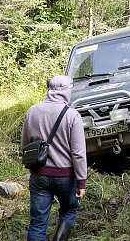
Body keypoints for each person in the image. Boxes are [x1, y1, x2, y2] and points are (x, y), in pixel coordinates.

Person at [21, 75, 87, 241]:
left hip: (39, 175)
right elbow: (78, 152)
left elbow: (24, 146)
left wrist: (33, 168)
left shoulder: (32, 111)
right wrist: (81, 181)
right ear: (66, 91)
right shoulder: (72, 115)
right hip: (65, 176)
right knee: (69, 210)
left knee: (37, 222)